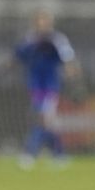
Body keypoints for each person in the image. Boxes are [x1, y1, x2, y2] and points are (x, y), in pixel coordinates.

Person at [13, 10, 82, 169]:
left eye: (45, 21)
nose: (42, 24)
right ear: (35, 22)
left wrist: (74, 78)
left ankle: (29, 153)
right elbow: (18, 56)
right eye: (40, 21)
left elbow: (68, 59)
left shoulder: (57, 39)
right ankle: (60, 154)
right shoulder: (30, 38)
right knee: (48, 122)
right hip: (35, 86)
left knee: (41, 118)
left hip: (51, 87)